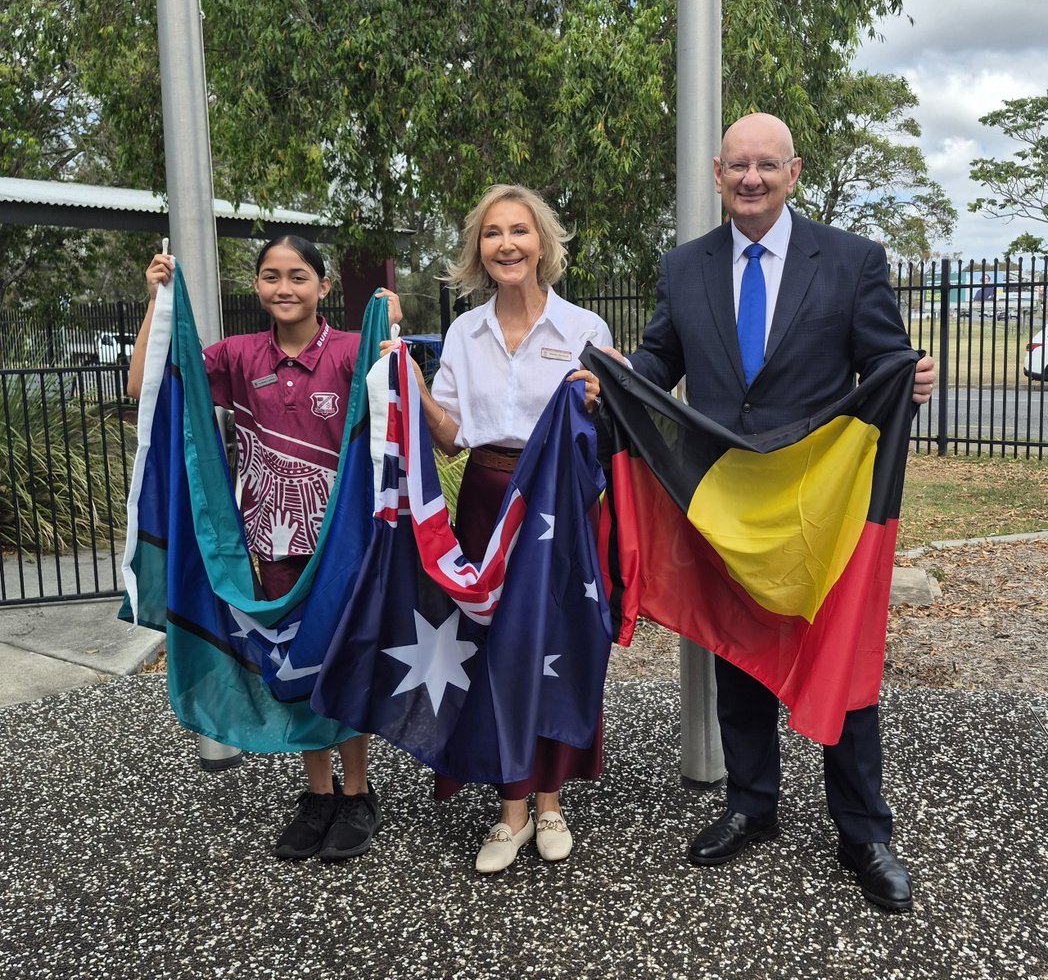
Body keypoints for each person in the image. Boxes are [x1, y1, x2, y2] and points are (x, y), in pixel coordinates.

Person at [593, 112, 935, 912]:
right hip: (727, 506)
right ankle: (751, 804)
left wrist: (909, 374)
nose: (751, 179)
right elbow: (660, 361)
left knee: (838, 661)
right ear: (717, 174)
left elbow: (883, 357)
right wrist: (617, 377)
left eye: (767, 166)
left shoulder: (852, 261)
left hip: (819, 507)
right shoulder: (684, 269)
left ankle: (863, 831)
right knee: (737, 656)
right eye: (737, 167)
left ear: (794, 171)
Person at [127, 235, 401, 863]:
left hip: (343, 549)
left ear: (323, 288)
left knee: (345, 661)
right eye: (272, 276)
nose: (285, 288)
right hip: (271, 547)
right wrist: (156, 303)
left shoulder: (354, 354)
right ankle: (318, 795)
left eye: (299, 276)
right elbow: (150, 381)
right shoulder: (236, 355)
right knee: (294, 662)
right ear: (256, 286)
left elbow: (402, 404)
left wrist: (391, 328)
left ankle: (357, 795)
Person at [385, 183, 610, 874]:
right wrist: (411, 384)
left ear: (542, 242)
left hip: (559, 509)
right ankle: (509, 812)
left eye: (518, 231)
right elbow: (451, 440)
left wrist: (602, 403)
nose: (506, 244)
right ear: (478, 250)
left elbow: (609, 435)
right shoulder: (463, 331)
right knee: (491, 649)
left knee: (552, 645)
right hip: (486, 501)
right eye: (492, 234)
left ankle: (549, 802)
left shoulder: (584, 329)